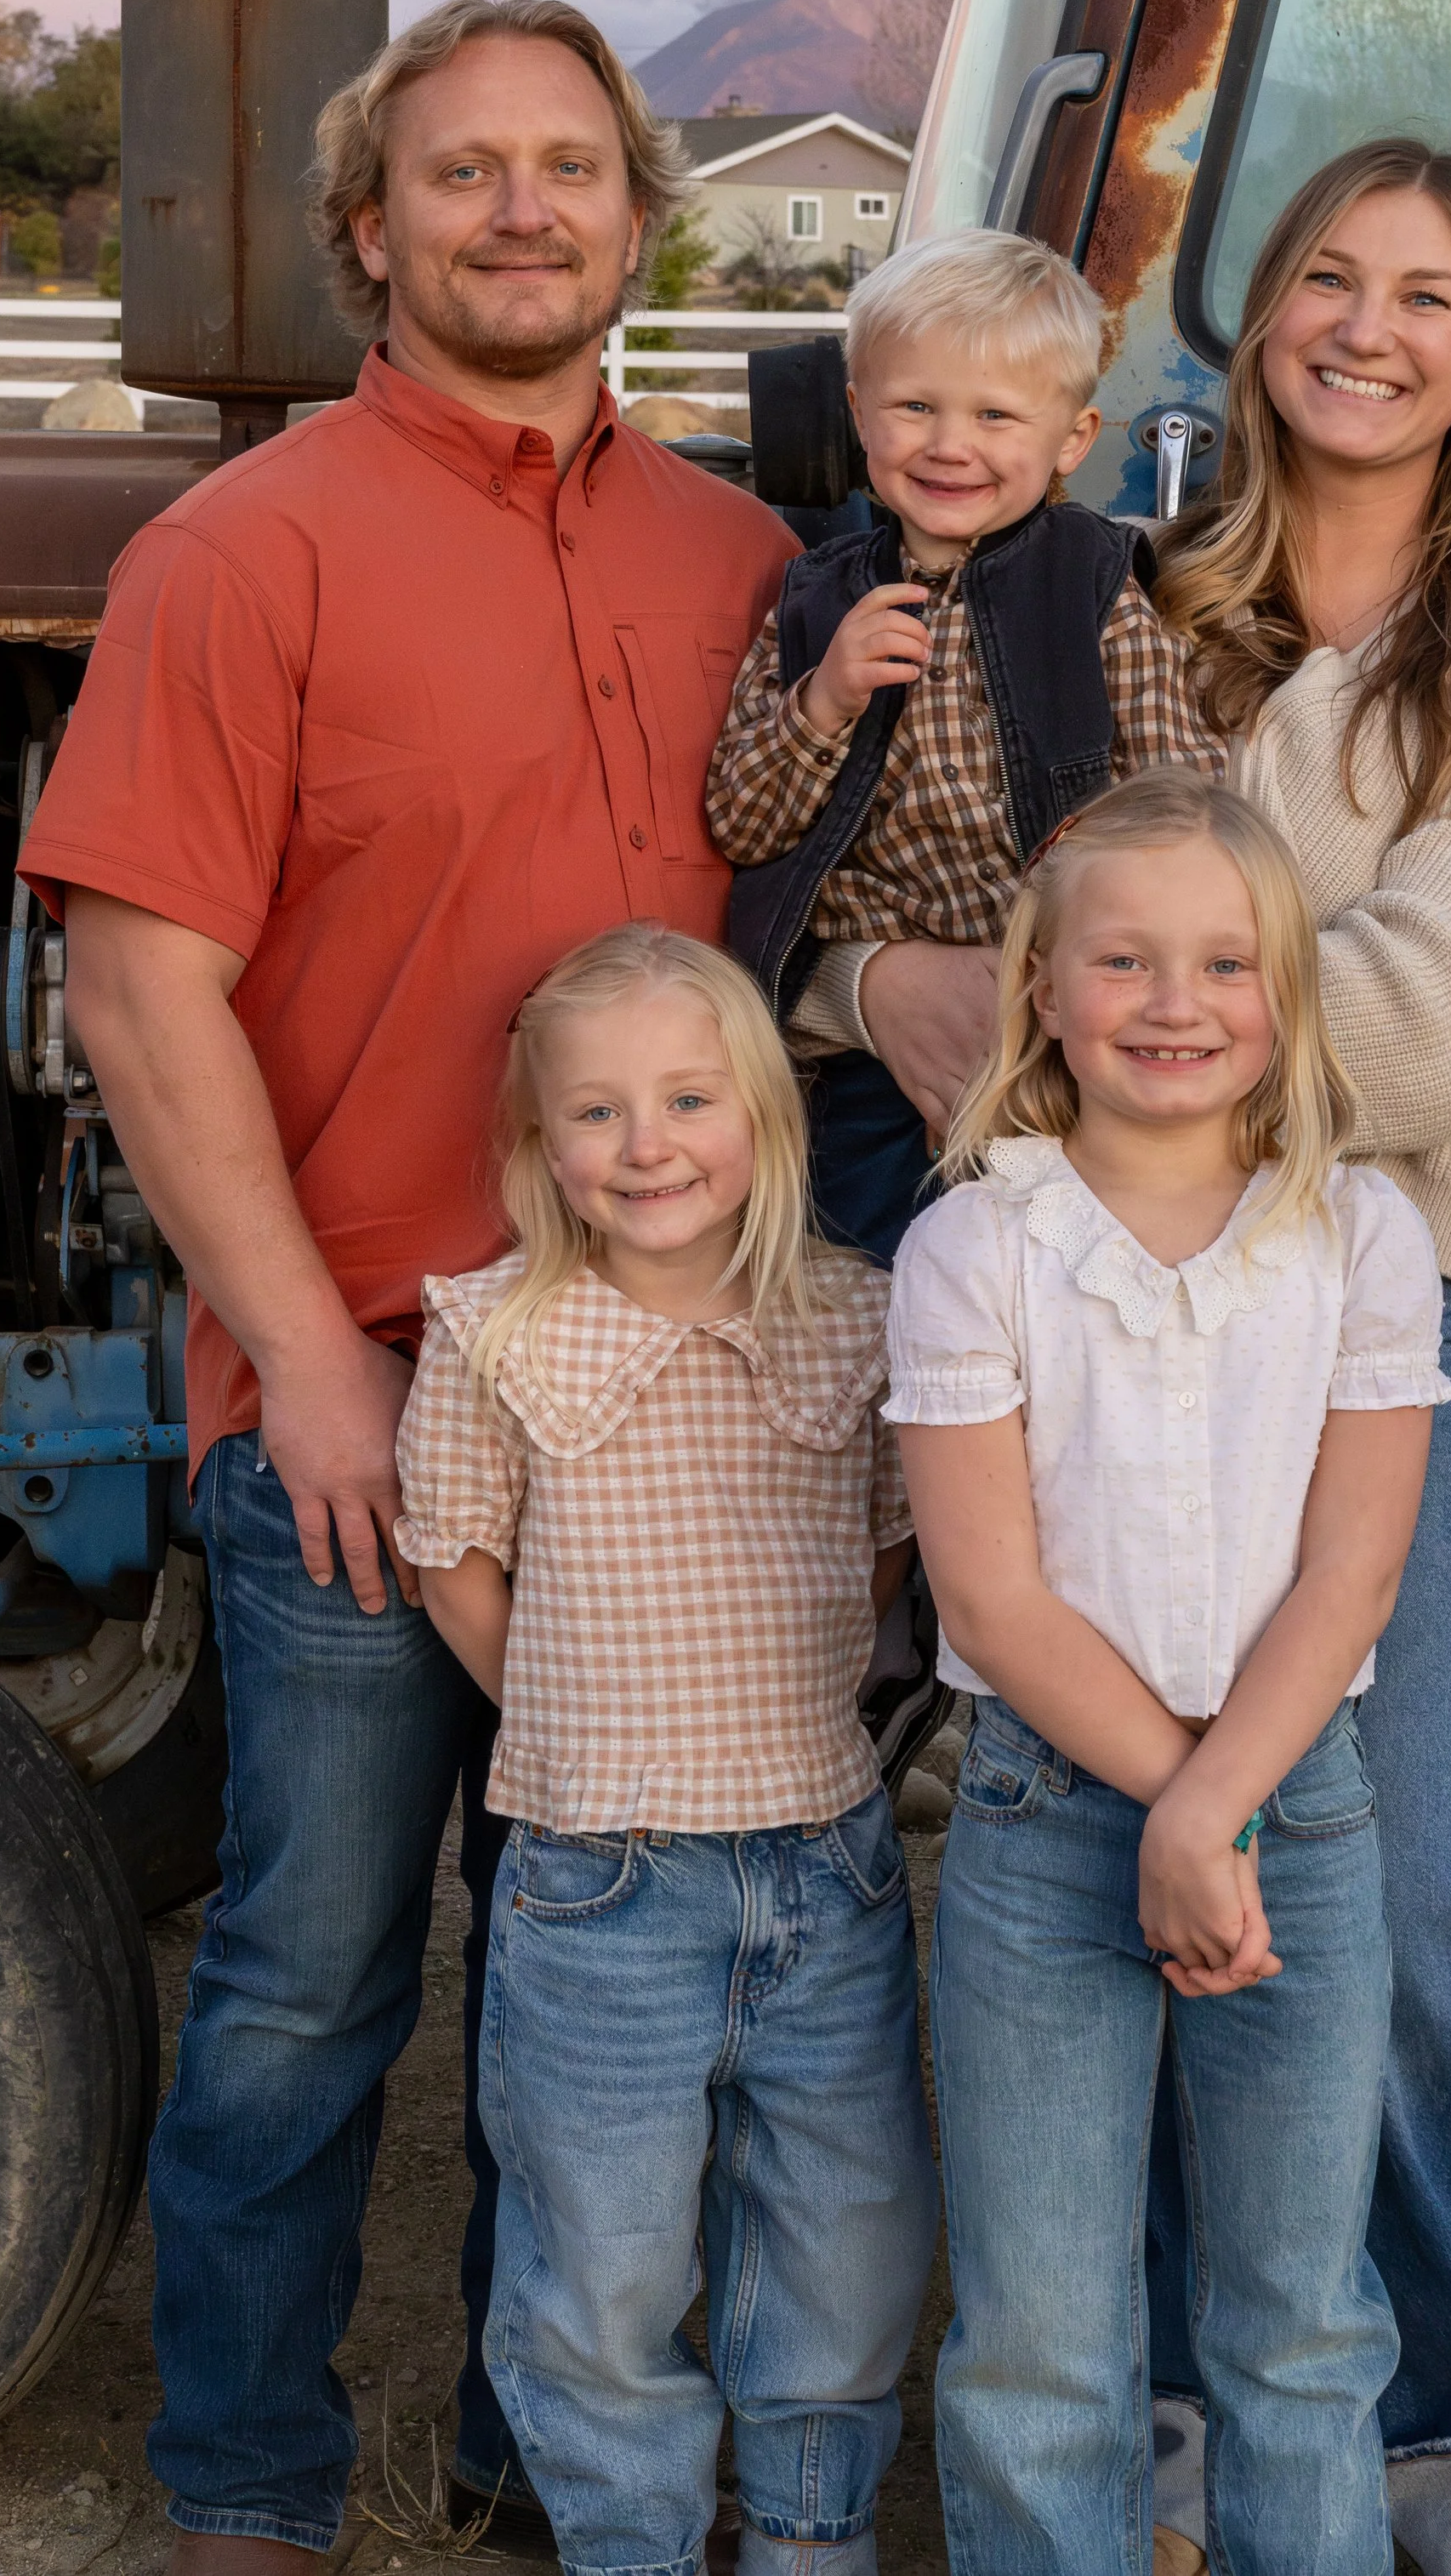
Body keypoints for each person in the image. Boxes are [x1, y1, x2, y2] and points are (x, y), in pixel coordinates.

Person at [19, 0, 799, 2573]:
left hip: (668, 1423)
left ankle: (526, 2450)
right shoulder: (245, 553)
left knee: (598, 2003)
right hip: (367, 1392)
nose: (517, 208)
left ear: (634, 215)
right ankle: (245, 2482)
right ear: (367, 228)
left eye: (566, 165)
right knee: (305, 1980)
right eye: (459, 171)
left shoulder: (742, 566)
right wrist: (321, 1376)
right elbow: (143, 986)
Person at [1153, 136, 1451, 2576]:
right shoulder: (1141, 618)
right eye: (1324, 275)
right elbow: (923, 902)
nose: (1364, 321)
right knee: (1145, 1853)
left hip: (1400, 1325)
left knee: (1418, 1893)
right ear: (1255, 320)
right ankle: (1174, 2402)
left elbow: (1445, 1029)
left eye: (1424, 293)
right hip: (1126, 1343)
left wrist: (1090, 1022)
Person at [887, 770, 1449, 2576]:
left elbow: (1351, 1567)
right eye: (1121, 962)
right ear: (1039, 989)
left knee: (1297, 2322)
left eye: (1222, 963)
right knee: (1041, 2345)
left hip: (1297, 1800)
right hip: (1048, 1816)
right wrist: (1171, 1804)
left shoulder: (1361, 1240)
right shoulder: (975, 1249)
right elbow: (993, 1589)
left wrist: (1217, 1807)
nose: (1173, 1004)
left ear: (1282, 997)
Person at [396, 924, 936, 2576]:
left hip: (821, 1868)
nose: (646, 1146)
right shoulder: (501, 1332)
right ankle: (627, 2543)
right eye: (598, 1114)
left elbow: (888, 1553)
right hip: (599, 1886)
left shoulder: (852, 1323)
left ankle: (802, 2542)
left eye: (688, 1099)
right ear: (537, 1147)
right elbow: (451, 1558)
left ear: (765, 1121)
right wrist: (569, 1700)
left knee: (841, 2246)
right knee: (598, 2270)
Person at [706, 226, 1221, 1268]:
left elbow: (1174, 803)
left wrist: (1083, 958)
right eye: (915, 407)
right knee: (865, 1283)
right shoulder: (815, 603)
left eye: (995, 415)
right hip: (868, 1061)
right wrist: (823, 702)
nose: (951, 444)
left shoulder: (1094, 585)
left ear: (1073, 438)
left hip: (1050, 1039)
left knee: (1060, 1279)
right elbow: (739, 820)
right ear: (859, 413)